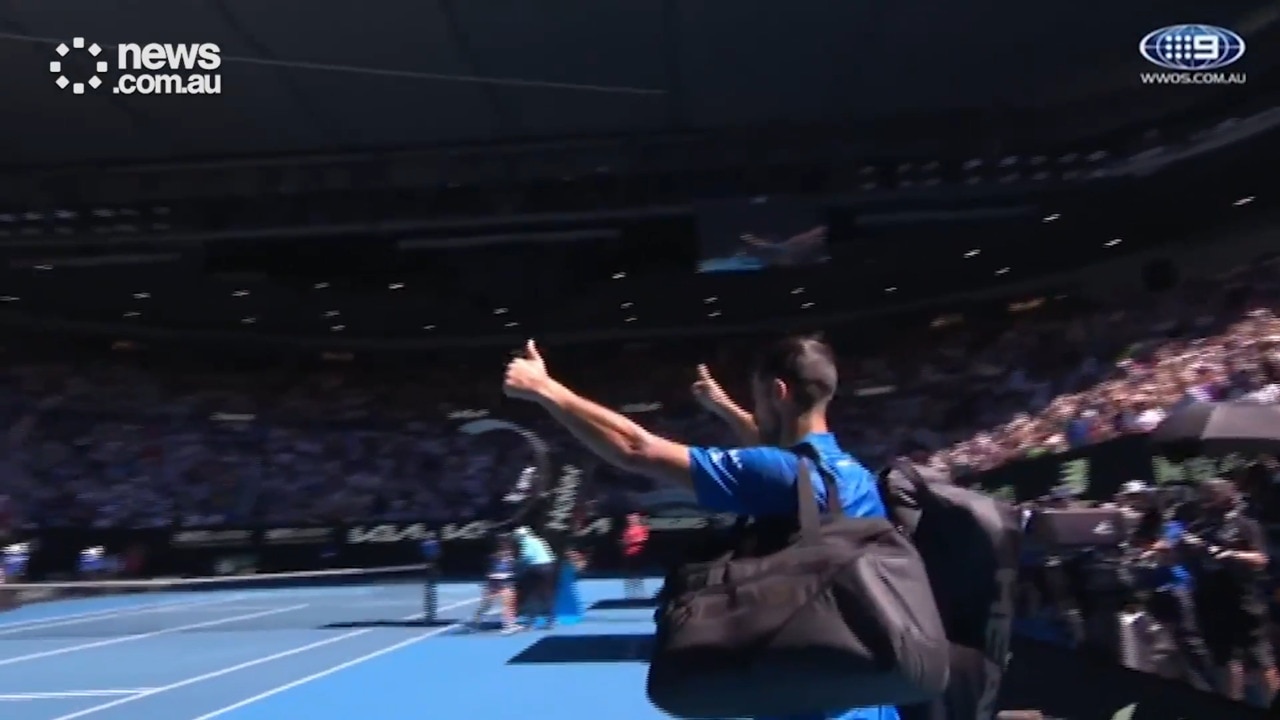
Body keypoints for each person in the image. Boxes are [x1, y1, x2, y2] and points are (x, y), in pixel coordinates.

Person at [503, 335, 898, 720]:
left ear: (778, 392)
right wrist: (724, 407)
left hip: (805, 704)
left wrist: (547, 390)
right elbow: (778, 452)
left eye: (758, 400)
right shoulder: (852, 475)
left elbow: (636, 449)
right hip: (868, 695)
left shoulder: (779, 475)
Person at [512, 525, 558, 630]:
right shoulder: (539, 540)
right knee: (547, 593)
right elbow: (550, 554)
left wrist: (517, 564)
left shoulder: (525, 542)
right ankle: (551, 620)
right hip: (549, 566)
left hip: (536, 567)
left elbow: (527, 556)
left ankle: (531, 621)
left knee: (532, 594)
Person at [472, 536, 520, 634]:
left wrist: (510, 574)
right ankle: (478, 616)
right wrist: (497, 576)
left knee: (509, 604)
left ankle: (509, 625)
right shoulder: (493, 559)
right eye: (506, 550)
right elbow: (489, 573)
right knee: (486, 605)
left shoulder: (511, 560)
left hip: (506, 584)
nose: (508, 552)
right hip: (494, 585)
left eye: (509, 550)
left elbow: (512, 572)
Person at [621, 512, 649, 599]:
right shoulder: (627, 530)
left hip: (638, 553)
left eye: (633, 518)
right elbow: (624, 540)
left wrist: (633, 543)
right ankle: (630, 592)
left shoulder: (642, 529)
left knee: (637, 573)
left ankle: (639, 592)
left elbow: (644, 540)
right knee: (630, 574)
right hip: (628, 554)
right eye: (629, 519)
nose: (630, 520)